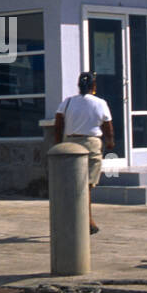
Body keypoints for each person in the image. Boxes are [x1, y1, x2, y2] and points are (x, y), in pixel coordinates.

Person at [54, 71, 114, 234]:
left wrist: (58, 144)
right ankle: (87, 220)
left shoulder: (67, 102)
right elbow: (107, 125)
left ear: (79, 86)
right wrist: (110, 142)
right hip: (91, 144)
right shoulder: (100, 103)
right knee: (86, 185)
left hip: (70, 144)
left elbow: (58, 124)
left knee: (73, 184)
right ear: (93, 86)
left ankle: (77, 219)